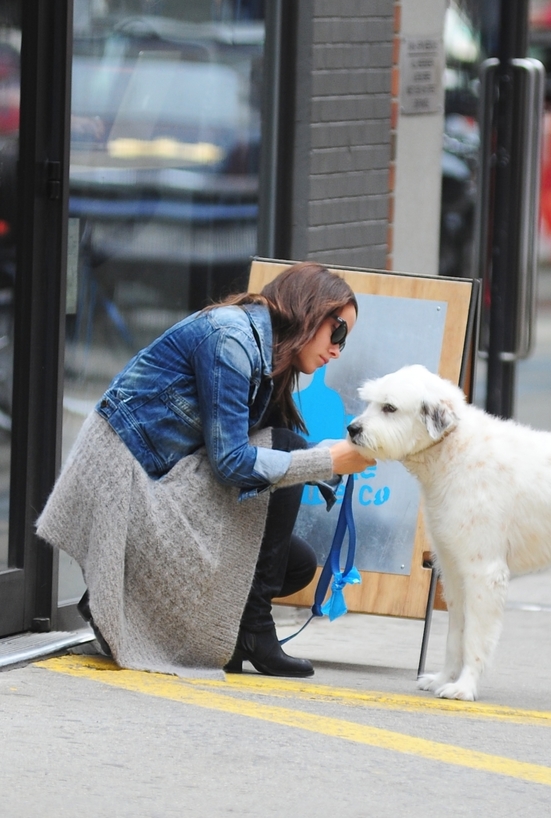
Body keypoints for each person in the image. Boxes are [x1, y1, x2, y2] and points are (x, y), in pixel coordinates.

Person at [37, 262, 375, 680]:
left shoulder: (267, 355)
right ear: (308, 310)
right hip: (130, 492)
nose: (338, 349)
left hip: (165, 484)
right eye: (337, 331)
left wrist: (321, 465)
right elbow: (232, 461)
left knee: (297, 565)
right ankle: (251, 629)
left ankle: (138, 600)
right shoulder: (230, 338)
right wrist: (321, 461)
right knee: (287, 450)